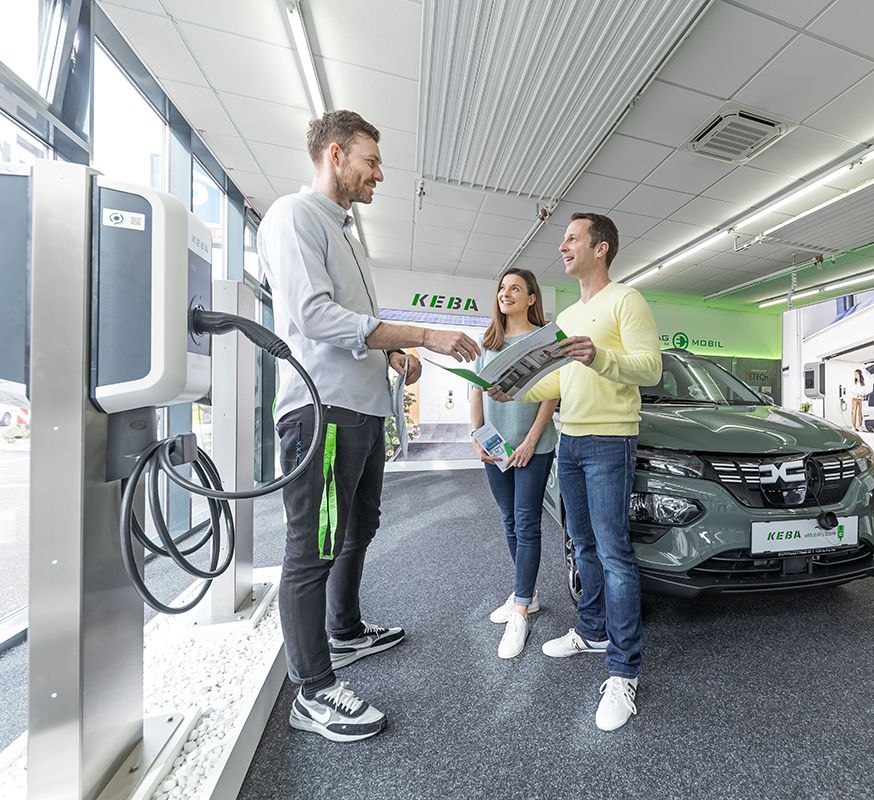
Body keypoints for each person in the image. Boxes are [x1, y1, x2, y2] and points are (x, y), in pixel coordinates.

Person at [259, 110, 480, 743]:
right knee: (314, 544)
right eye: (371, 162)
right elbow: (312, 316)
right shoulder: (293, 217)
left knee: (361, 526)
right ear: (335, 155)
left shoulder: (346, 236)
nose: (379, 174)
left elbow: (353, 323)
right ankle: (312, 689)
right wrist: (422, 333)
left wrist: (393, 356)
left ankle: (345, 631)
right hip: (321, 411)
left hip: (361, 411)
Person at [489, 212, 662, 731]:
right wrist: (514, 389)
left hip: (611, 440)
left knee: (613, 552)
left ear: (600, 248)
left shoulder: (626, 300)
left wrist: (601, 356)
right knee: (580, 544)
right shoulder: (567, 316)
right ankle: (591, 631)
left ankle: (623, 671)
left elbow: (649, 367)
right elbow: (559, 383)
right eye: (563, 239)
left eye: (571, 239)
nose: (562, 246)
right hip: (571, 440)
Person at [469, 268, 559, 659]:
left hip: (533, 445)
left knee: (526, 521)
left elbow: (550, 395)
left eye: (515, 288)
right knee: (508, 519)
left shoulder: (544, 341)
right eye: (502, 287)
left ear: (531, 297)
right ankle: (530, 593)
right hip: (495, 446)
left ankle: (520, 608)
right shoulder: (487, 342)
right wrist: (477, 437)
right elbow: (474, 391)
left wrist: (531, 440)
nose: (506, 294)